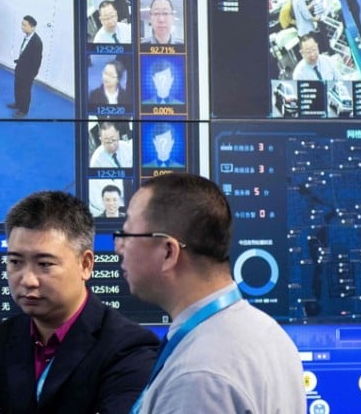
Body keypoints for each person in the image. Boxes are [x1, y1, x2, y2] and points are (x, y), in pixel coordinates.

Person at [115, 173, 306, 414]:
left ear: (168, 253)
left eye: (127, 235)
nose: (119, 247)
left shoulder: (197, 377)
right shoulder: (267, 331)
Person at [0, 190, 158, 414]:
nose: (28, 280)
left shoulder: (128, 350)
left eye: (44, 264)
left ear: (86, 264)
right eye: (15, 262)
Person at [9, 15, 42, 118]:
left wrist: (33, 74)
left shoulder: (37, 42)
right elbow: (25, 53)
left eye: (24, 25)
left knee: (25, 90)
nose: (22, 27)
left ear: (32, 27)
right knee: (17, 87)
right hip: (20, 68)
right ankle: (18, 103)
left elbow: (37, 60)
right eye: (22, 24)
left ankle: (23, 110)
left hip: (28, 72)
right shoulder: (27, 37)